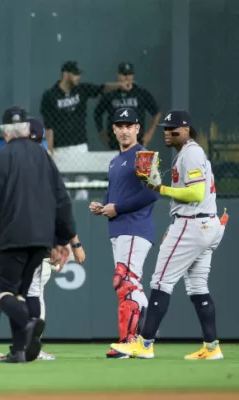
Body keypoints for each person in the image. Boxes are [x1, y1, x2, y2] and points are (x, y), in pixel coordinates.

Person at [0, 106, 77, 364]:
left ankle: (29, 323)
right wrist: (63, 238)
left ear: (5, 132)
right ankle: (19, 351)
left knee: (0, 293)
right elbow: (62, 199)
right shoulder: (44, 156)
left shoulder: (0, 159)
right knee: (21, 294)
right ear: (27, 129)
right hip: (41, 242)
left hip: (10, 239)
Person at [111, 110, 226, 360]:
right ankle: (212, 346)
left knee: (160, 282)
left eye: (173, 129)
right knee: (197, 286)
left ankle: (144, 343)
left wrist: (160, 187)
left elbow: (195, 194)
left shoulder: (191, 153)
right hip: (206, 224)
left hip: (193, 223)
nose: (167, 132)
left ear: (186, 130)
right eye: (165, 128)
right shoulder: (188, 153)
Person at [86, 108, 160, 358]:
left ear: (138, 128)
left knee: (125, 282)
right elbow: (115, 192)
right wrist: (103, 204)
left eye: (130, 125)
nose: (125, 130)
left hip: (135, 226)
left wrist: (116, 207)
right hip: (119, 228)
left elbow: (152, 192)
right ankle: (143, 335)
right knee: (129, 283)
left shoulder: (143, 155)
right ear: (114, 130)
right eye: (120, 125)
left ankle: (129, 340)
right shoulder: (115, 160)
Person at [40, 60, 126, 156]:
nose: (78, 77)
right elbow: (49, 126)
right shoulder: (50, 96)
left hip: (80, 145)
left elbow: (102, 88)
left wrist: (119, 85)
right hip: (60, 147)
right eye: (75, 74)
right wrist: (50, 149)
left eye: (79, 74)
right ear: (65, 74)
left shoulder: (82, 89)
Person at [94, 62, 162, 148]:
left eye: (129, 74)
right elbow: (97, 113)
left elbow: (156, 113)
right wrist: (102, 133)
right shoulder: (111, 94)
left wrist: (150, 134)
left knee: (136, 160)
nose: (127, 77)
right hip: (115, 140)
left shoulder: (140, 93)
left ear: (133, 75)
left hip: (137, 139)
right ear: (118, 75)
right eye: (124, 74)